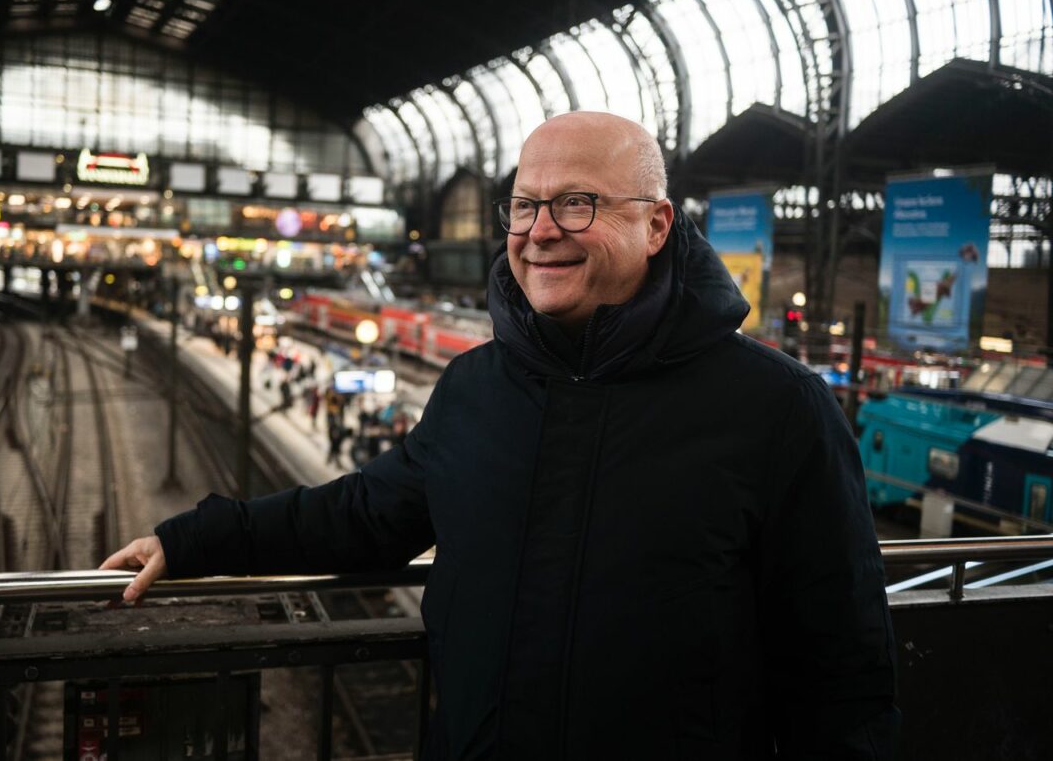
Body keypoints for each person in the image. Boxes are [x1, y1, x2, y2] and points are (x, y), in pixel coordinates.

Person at [101, 111, 898, 759]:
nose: (540, 230)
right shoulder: (477, 387)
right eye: (524, 204)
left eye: (576, 203)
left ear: (656, 225)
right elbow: (365, 514)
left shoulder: (777, 410)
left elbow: (843, 673)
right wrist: (196, 540)